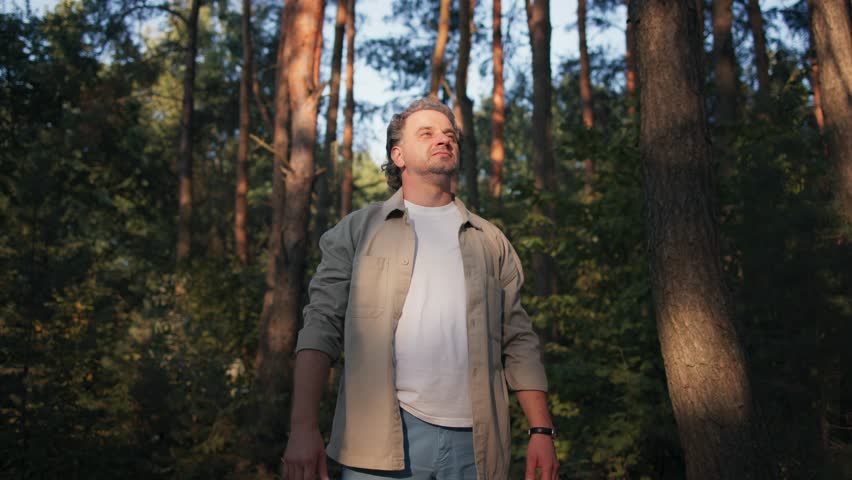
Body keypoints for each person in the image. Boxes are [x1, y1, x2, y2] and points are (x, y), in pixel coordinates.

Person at [282, 98, 558, 480]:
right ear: (398, 155)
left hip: (477, 448)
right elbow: (320, 329)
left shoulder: (490, 241)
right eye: (426, 133)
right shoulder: (357, 231)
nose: (443, 140)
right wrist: (302, 428)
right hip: (378, 443)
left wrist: (541, 430)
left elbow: (520, 340)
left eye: (450, 135)